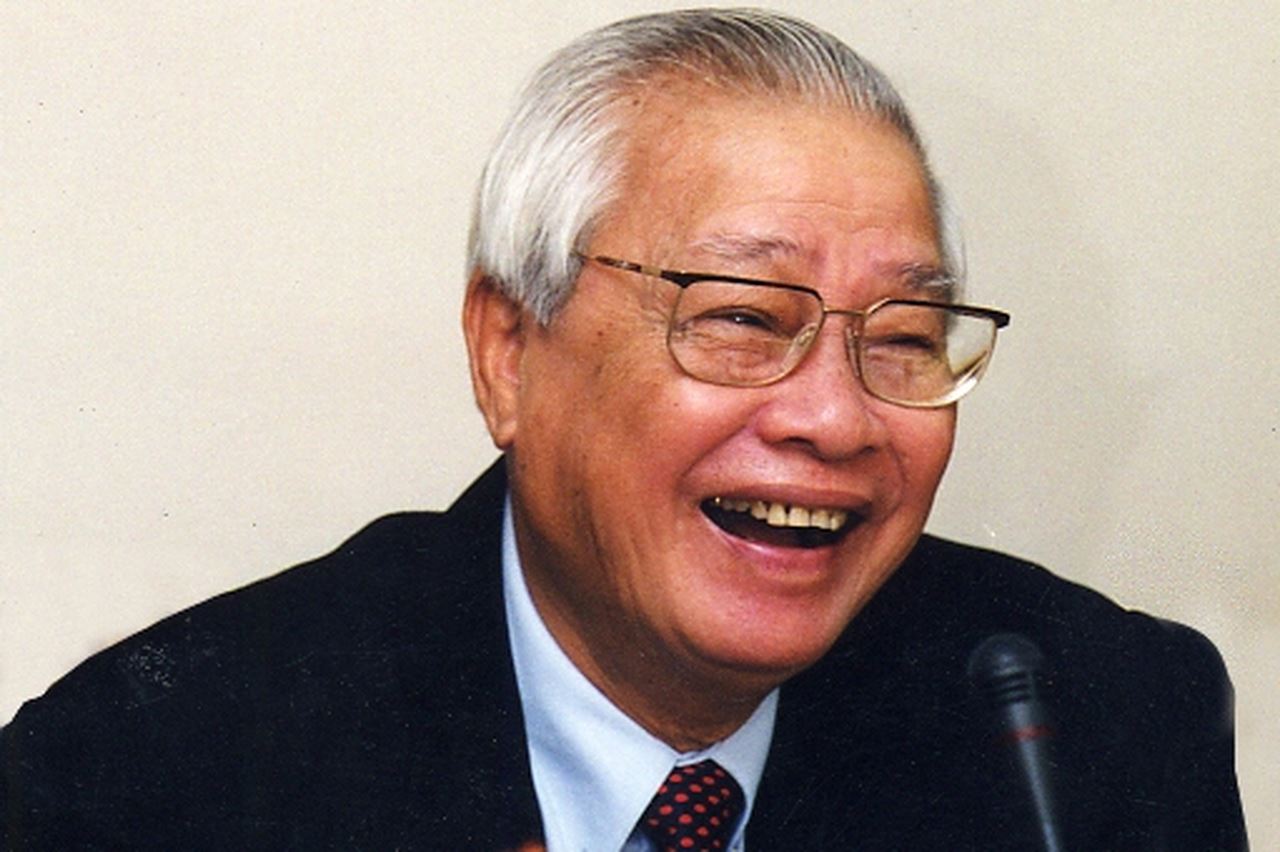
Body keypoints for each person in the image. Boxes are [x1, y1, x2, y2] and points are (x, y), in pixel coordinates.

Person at [0, 9, 1245, 851]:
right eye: (742, 317)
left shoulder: (1094, 728)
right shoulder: (155, 771)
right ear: (508, 354)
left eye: (905, 338)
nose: (832, 418)